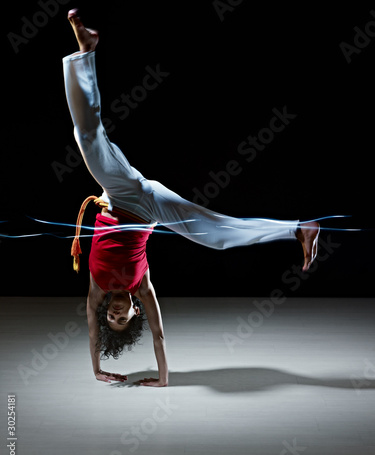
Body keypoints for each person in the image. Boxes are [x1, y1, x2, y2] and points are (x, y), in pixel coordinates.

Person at [63, 9, 319, 387]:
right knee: (215, 236)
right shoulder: (142, 287)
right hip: (150, 204)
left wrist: (97, 369)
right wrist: (164, 380)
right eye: (124, 319)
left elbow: (90, 334)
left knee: (86, 138)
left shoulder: (96, 289)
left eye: (111, 319)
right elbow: (159, 336)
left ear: (107, 313)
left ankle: (85, 51)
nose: (116, 315)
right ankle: (299, 229)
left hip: (118, 193)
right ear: (134, 311)